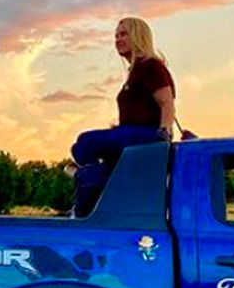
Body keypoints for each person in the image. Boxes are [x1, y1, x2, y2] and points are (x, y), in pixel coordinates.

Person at [70, 17, 176, 216]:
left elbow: (167, 101)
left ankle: (93, 191)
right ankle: (99, 181)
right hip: (130, 132)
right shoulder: (135, 71)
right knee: (79, 148)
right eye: (116, 35)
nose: (118, 39)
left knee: (86, 142)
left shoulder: (150, 66)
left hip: (146, 134)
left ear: (138, 36)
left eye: (124, 34)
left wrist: (164, 132)